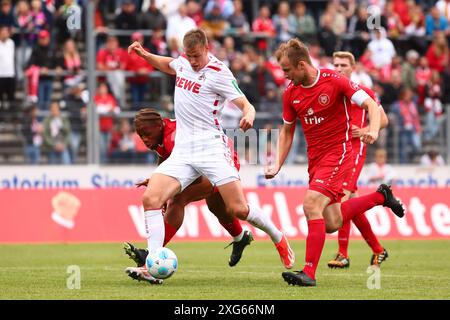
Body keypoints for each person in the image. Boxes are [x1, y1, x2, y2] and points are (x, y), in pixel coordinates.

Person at [125, 29, 295, 284]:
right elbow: (167, 64)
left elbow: (245, 102)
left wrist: (248, 114)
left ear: (206, 48)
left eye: (196, 56)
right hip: (183, 151)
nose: (192, 61)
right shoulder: (182, 63)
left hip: (212, 149)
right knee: (151, 199)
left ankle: (277, 236)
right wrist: (144, 54)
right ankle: (153, 263)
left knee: (237, 208)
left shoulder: (219, 72)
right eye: (188, 56)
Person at [265, 39, 405, 287]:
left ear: (301, 65)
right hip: (315, 159)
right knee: (331, 222)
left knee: (310, 205)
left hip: (338, 153)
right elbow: (287, 131)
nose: (284, 75)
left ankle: (309, 272)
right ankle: (380, 197)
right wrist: (277, 164)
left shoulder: (335, 81)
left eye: (287, 70)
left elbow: (371, 104)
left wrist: (371, 130)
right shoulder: (291, 93)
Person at [123, 108, 253, 274]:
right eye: (141, 136)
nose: (145, 139)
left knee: (178, 199)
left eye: (147, 134)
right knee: (217, 206)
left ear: (158, 125)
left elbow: (196, 178)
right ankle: (241, 238)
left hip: (223, 161)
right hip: (208, 162)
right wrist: (159, 186)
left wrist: (165, 193)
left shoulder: (173, 138)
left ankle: (152, 254)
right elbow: (166, 163)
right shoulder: (161, 136)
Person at [327, 51, 390, 269]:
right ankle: (378, 250)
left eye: (343, 64)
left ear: (352, 68)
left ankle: (343, 254)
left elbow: (383, 120)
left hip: (354, 151)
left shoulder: (363, 93)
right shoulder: (332, 93)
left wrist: (364, 130)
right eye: (335, 64)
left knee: (341, 201)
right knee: (352, 206)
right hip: (337, 152)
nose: (338, 68)